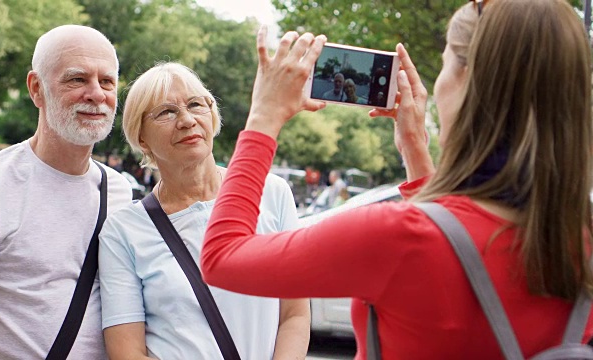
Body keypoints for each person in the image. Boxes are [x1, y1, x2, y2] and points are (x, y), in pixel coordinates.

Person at [200, 0, 593, 359]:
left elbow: (221, 257)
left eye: (444, 65)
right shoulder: (579, 243)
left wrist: (263, 117)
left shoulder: (395, 237)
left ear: (468, 80)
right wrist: (414, 149)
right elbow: (456, 244)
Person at [98, 62, 310, 359]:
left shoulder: (270, 192)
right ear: (141, 137)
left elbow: (294, 315)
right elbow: (127, 353)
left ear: (212, 114)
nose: (186, 120)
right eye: (166, 112)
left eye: (196, 104)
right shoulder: (123, 231)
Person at [0, 25, 133, 359]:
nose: (96, 94)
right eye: (77, 79)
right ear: (37, 89)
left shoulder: (120, 191)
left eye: (107, 81)